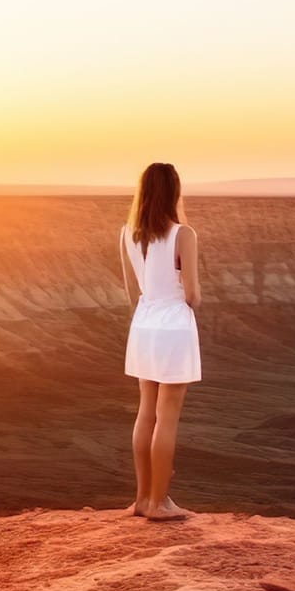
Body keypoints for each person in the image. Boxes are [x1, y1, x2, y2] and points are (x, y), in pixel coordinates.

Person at [117, 161, 202, 521]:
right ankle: (159, 502)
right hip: (173, 326)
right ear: (174, 192)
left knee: (145, 413)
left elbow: (129, 288)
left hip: (144, 323)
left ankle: (140, 499)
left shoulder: (127, 233)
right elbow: (193, 295)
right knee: (167, 418)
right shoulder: (184, 234)